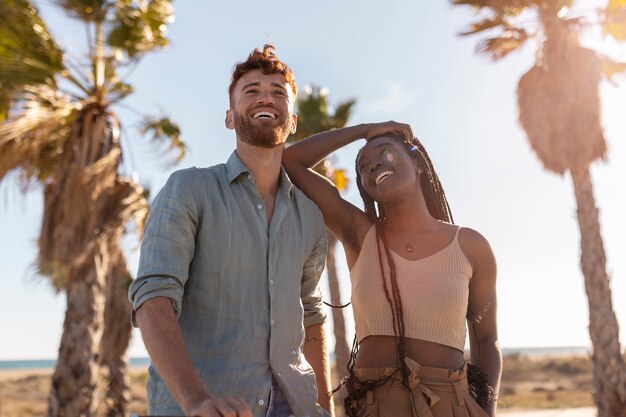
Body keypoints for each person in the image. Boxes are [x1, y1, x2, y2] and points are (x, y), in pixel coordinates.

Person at [129, 45, 334, 417]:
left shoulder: (309, 216)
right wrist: (196, 401)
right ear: (229, 117)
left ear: (292, 120)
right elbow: (153, 297)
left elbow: (311, 317)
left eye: (277, 92)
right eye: (251, 90)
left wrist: (325, 409)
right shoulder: (189, 189)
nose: (265, 98)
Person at [282, 122, 501, 417]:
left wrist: (485, 410)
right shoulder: (360, 235)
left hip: (450, 404)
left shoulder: (471, 246)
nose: (372, 165)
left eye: (385, 154)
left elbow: (486, 340)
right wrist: (364, 130)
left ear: (417, 163)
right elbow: (289, 160)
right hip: (374, 404)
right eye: (362, 166)